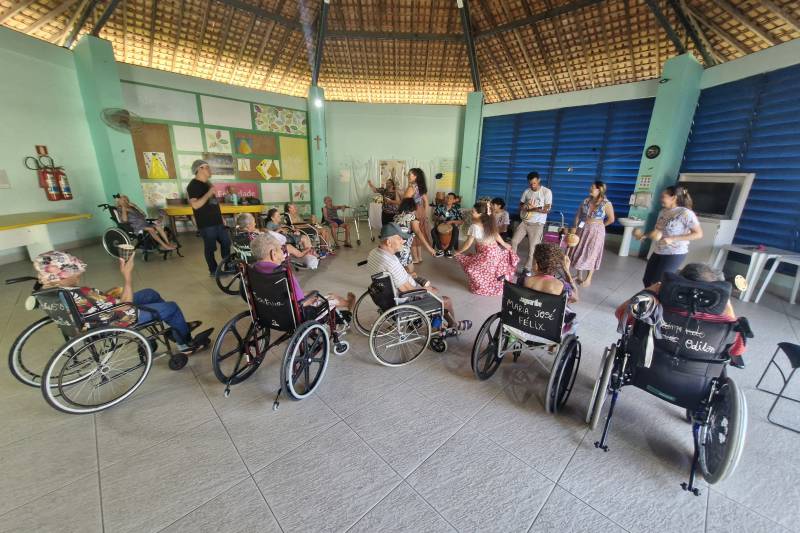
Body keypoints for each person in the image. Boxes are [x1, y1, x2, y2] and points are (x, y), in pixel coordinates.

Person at [32, 250, 210, 355]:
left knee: (150, 293)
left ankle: (177, 327)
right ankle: (185, 344)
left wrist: (108, 295)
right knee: (171, 307)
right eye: (74, 272)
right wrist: (127, 276)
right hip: (114, 319)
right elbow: (125, 307)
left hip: (92, 315)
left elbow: (96, 303)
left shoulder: (49, 289)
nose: (78, 274)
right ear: (62, 276)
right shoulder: (81, 292)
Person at [615, 263, 745, 368]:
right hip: (696, 378)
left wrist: (653, 289)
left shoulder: (652, 308)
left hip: (645, 364)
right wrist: (727, 305)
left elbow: (621, 314)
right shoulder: (725, 323)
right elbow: (737, 351)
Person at [366, 223, 472, 332]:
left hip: (386, 296)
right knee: (445, 301)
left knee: (426, 285)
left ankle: (438, 323)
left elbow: (396, 278)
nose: (403, 241)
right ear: (388, 242)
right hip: (406, 300)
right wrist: (426, 290)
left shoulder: (374, 253)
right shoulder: (390, 263)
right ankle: (451, 326)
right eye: (400, 238)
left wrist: (410, 276)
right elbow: (407, 290)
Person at [250, 234, 355, 311]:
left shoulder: (253, 270)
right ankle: (346, 303)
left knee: (307, 293)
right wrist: (312, 298)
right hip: (294, 311)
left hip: (269, 308)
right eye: (281, 249)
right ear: (273, 254)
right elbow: (300, 300)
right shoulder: (283, 274)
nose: (283, 251)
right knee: (327, 297)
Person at [636, 185, 703, 287]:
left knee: (658, 283)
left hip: (674, 253)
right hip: (659, 250)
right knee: (647, 280)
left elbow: (698, 234)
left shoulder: (685, 213)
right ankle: (650, 296)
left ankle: (658, 297)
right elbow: (658, 231)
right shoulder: (664, 212)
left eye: (663, 196)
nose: (660, 199)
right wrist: (645, 235)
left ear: (674, 198)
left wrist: (673, 239)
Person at [454, 201, 519, 296]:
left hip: (487, 254)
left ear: (480, 214)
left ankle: (483, 288)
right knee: (489, 271)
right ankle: (492, 287)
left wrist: (458, 251)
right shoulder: (489, 223)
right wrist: (504, 244)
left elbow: (468, 244)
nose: (471, 213)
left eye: (473, 212)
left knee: (472, 268)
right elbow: (496, 235)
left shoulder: (474, 226)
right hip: (495, 251)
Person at [187, 160, 231, 276]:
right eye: (207, 167)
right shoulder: (193, 185)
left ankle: (228, 266)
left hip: (217, 221)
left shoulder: (208, 183)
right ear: (199, 169)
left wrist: (221, 217)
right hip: (206, 224)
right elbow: (195, 205)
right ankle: (214, 270)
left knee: (226, 242)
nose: (210, 170)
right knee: (210, 248)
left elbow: (213, 203)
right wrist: (208, 193)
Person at [569, 180, 615, 287]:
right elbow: (578, 215)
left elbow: (611, 219)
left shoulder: (606, 203)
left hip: (596, 232)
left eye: (593, 187)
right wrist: (575, 227)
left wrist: (601, 226)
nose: (590, 189)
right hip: (583, 229)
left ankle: (588, 278)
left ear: (599, 190)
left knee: (592, 253)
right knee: (580, 250)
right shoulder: (586, 201)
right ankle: (579, 275)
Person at [236, 212, 316, 267]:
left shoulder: (236, 236)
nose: (255, 224)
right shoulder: (255, 236)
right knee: (287, 246)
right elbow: (267, 244)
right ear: (248, 226)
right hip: (263, 258)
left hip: (247, 262)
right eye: (254, 222)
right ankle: (301, 254)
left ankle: (304, 253)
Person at [511, 172, 552, 276]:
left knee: (532, 248)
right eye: (530, 183)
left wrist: (533, 209)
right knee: (514, 241)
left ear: (539, 180)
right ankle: (512, 264)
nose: (532, 185)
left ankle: (527, 269)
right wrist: (525, 206)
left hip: (537, 224)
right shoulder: (527, 191)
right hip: (524, 222)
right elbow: (521, 204)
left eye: (534, 183)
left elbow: (547, 210)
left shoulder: (546, 192)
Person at [394, 198, 442, 284]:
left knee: (403, 268)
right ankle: (406, 286)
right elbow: (418, 233)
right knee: (410, 271)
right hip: (403, 248)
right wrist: (430, 249)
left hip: (393, 246)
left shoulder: (397, 216)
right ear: (413, 207)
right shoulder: (412, 217)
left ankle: (402, 284)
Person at [402, 168, 430, 265]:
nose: (408, 176)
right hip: (420, 211)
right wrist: (424, 214)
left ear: (415, 176)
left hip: (413, 211)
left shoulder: (412, 187)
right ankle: (420, 257)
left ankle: (415, 258)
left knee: (412, 235)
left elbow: (404, 202)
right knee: (419, 233)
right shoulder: (421, 187)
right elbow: (426, 202)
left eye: (410, 174)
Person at [431, 192, 464, 256]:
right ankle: (440, 249)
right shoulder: (440, 207)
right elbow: (433, 217)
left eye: (450, 198)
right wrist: (438, 218)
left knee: (456, 231)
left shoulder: (456, 209)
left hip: (452, 225)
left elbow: (461, 221)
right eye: (447, 197)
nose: (448, 199)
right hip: (441, 225)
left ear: (454, 200)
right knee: (433, 231)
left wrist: (451, 221)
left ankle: (449, 250)